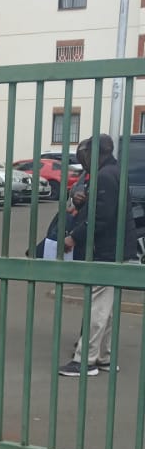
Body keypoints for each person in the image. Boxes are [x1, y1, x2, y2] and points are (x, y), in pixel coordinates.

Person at [59, 134, 137, 377]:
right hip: (116, 249)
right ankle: (104, 357)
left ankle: (86, 360)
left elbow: (101, 217)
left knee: (98, 309)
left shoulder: (105, 175)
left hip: (107, 250)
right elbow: (103, 209)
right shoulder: (114, 172)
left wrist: (74, 237)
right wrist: (83, 203)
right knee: (107, 310)